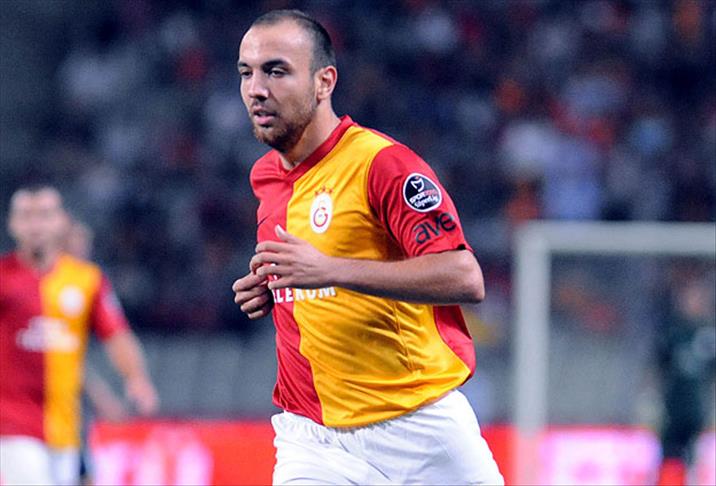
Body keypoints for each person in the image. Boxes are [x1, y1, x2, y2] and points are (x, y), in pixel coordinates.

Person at [232, 10, 503, 485]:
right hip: (312, 436)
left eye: (276, 71)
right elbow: (312, 277)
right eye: (246, 73)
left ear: (324, 82)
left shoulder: (382, 164)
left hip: (417, 427)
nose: (256, 89)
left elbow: (464, 276)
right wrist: (275, 288)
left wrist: (329, 269)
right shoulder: (267, 177)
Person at [0, 185, 159, 486]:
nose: (35, 225)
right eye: (26, 216)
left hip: (66, 427)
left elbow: (116, 334)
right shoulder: (3, 278)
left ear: (62, 221)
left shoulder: (87, 280)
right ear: (12, 224)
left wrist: (136, 377)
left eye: (44, 215)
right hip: (12, 425)